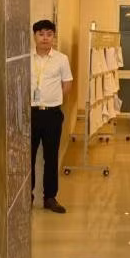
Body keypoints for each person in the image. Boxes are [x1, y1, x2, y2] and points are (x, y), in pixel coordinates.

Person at [30, 19, 73, 213]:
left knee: (51, 156)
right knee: (27, 157)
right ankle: (27, 196)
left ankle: (50, 197)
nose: (45, 38)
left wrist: (52, 100)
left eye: (49, 34)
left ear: (53, 37)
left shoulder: (61, 59)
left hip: (52, 114)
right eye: (41, 34)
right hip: (30, 114)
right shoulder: (26, 57)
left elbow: (67, 85)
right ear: (35, 36)